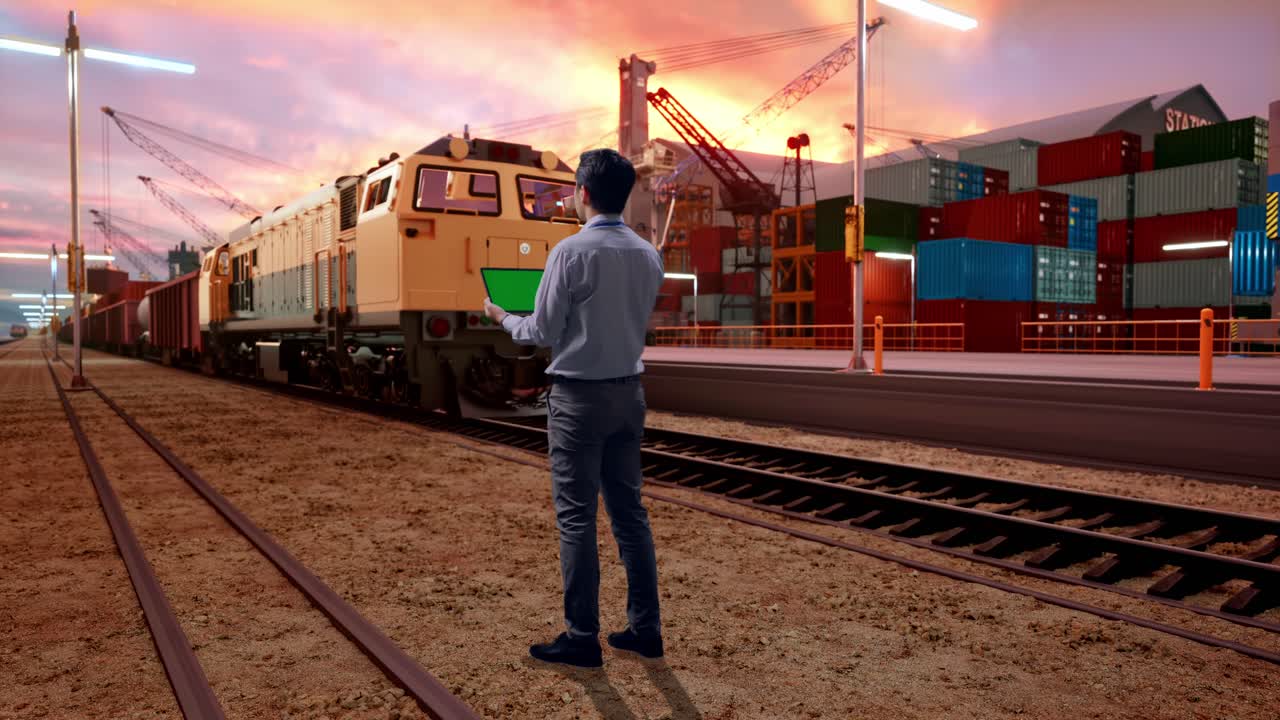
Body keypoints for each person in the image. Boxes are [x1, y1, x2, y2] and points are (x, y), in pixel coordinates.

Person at [484, 148, 665, 668]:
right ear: (626, 193)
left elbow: (540, 331)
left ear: (582, 194)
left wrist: (501, 315)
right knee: (631, 517)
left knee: (577, 520)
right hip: (629, 394)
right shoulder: (648, 254)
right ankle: (645, 630)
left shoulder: (570, 252)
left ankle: (582, 637)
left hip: (579, 400)